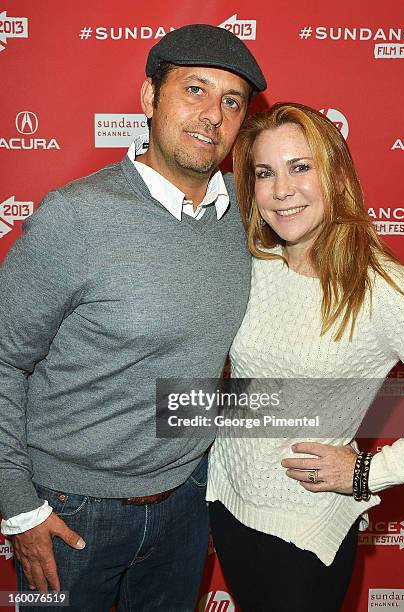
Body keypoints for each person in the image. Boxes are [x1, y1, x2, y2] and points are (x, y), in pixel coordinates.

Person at [0, 24, 266, 611]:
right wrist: (18, 506)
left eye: (231, 101)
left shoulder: (247, 220)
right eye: (194, 90)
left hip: (186, 504)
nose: (212, 116)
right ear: (149, 98)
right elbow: (3, 358)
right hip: (68, 513)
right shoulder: (77, 216)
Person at [207, 102, 404, 612]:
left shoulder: (382, 288)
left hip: (305, 525)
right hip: (227, 501)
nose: (282, 190)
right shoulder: (252, 262)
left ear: (335, 174)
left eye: (301, 167)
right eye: (265, 173)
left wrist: (367, 472)